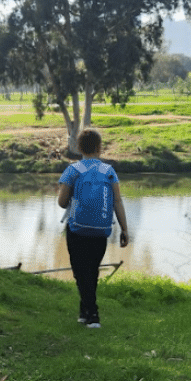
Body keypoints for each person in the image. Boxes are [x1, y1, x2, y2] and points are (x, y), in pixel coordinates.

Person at [57, 129, 129, 328]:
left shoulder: (72, 170)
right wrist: (124, 229)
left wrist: (66, 191)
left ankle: (93, 314)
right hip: (101, 229)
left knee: (81, 272)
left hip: (77, 228)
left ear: (79, 148)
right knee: (91, 270)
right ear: (99, 147)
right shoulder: (109, 171)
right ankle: (84, 310)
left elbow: (62, 203)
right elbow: (117, 201)